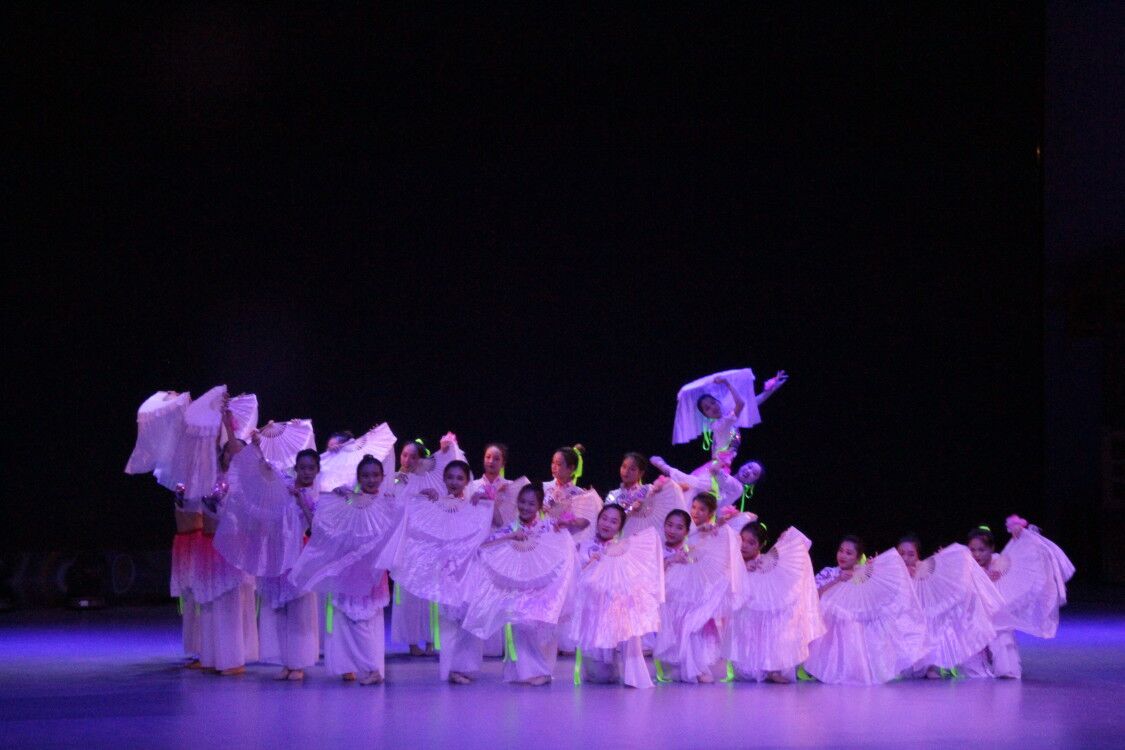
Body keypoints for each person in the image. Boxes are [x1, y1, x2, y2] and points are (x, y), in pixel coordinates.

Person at [288, 455, 404, 685]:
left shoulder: (387, 502)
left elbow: (399, 526)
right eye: (365, 475)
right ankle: (354, 667)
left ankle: (373, 668)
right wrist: (338, 499)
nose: (371, 479)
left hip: (371, 573)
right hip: (349, 570)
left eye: (375, 475)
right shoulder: (350, 500)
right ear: (358, 478)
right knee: (348, 621)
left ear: (382, 477)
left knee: (365, 621)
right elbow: (324, 527)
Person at [390, 460, 494, 684]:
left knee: (468, 620)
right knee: (449, 621)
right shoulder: (436, 502)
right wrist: (424, 499)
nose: (454, 482)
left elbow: (495, 524)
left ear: (467, 481)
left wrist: (485, 501)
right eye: (450, 477)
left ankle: (466, 667)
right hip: (447, 571)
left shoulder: (474, 504)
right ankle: (452, 669)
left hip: (470, 570)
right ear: (444, 480)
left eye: (460, 478)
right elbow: (417, 524)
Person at [804, 537, 926, 685]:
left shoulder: (866, 576)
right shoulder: (829, 572)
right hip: (828, 633)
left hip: (855, 636)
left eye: (849, 553)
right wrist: (836, 580)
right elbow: (812, 596)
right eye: (841, 551)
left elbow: (885, 599)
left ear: (857, 557)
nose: (843, 555)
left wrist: (876, 571)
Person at [571, 504, 661, 688]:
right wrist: (591, 563)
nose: (607, 524)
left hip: (615, 606)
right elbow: (576, 577)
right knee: (600, 677)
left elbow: (630, 579)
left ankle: (633, 675)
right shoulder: (584, 546)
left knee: (629, 621)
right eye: (604, 518)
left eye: (613, 521)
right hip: (592, 607)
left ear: (620, 527)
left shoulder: (623, 549)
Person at [724, 521, 823, 683]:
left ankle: (772, 668)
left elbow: (803, 545)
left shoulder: (768, 561)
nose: (744, 545)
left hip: (762, 611)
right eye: (742, 540)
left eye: (751, 542)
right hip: (742, 614)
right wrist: (741, 568)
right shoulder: (732, 561)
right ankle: (751, 668)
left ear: (761, 545)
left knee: (775, 623)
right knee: (744, 636)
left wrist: (787, 539)